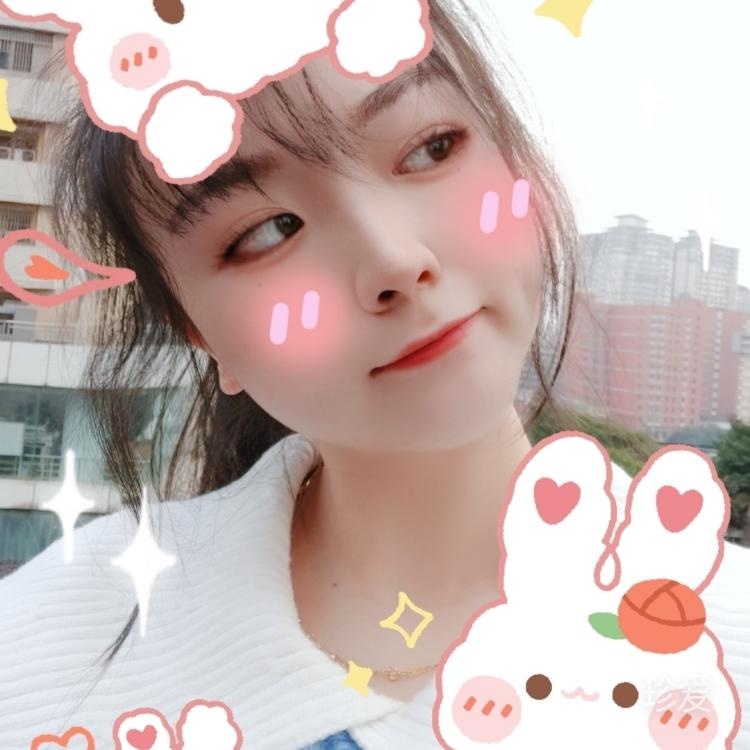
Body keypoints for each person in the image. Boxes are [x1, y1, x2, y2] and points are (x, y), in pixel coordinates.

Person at [1, 1, 749, 748]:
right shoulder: (44, 649)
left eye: (430, 149)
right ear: (198, 332)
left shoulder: (726, 644)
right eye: (266, 232)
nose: (393, 260)